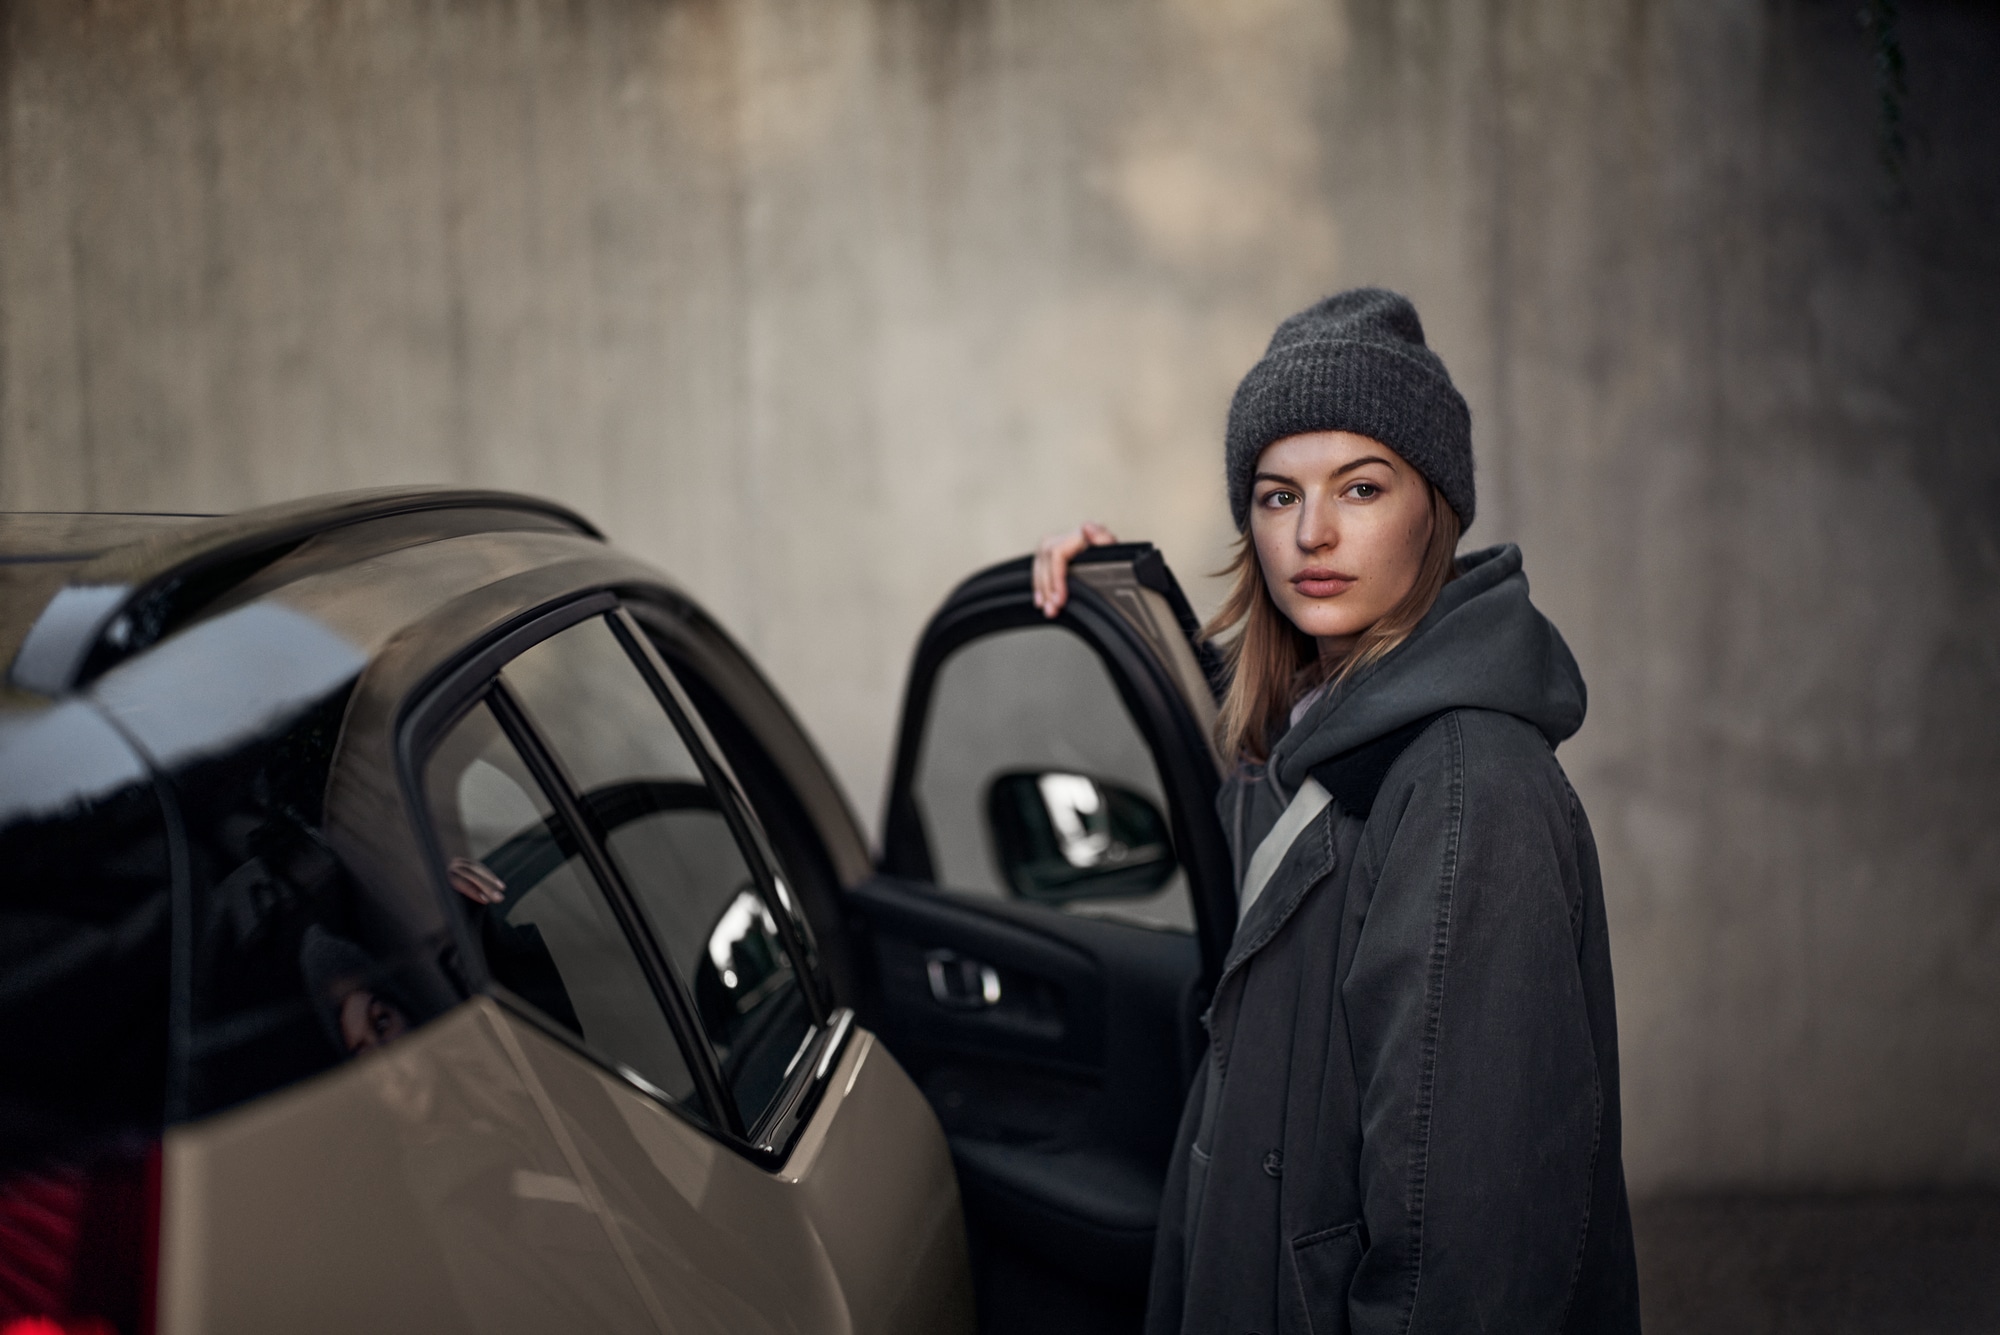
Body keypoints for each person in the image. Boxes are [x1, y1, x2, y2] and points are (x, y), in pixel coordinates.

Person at [1034, 289, 1640, 1334]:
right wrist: (1119, 599)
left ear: (1433, 510)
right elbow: (1258, 780)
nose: (1311, 534)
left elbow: (1464, 1255)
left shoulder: (1465, 792)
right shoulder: (1318, 726)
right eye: (1276, 497)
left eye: (1359, 488)